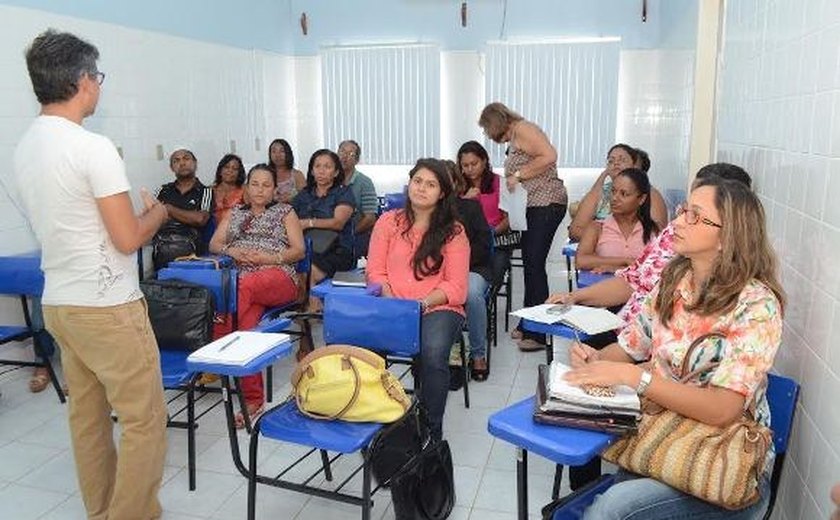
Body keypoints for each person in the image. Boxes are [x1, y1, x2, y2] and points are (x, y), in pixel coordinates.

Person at [14, 30, 169, 519]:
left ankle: (100, 512)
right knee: (145, 420)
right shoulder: (92, 147)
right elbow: (126, 238)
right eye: (97, 78)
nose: (98, 87)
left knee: (88, 418)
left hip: (60, 302)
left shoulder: (25, 147)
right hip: (108, 307)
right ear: (83, 80)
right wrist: (159, 215)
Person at [565, 177, 783, 519]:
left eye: (695, 216)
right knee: (608, 501)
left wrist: (636, 378)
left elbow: (723, 410)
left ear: (728, 237)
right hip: (665, 441)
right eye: (684, 211)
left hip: (722, 465)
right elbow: (629, 347)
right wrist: (595, 359)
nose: (678, 221)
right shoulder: (673, 282)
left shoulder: (756, 306)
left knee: (609, 511)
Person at [367, 158, 469, 440]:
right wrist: (392, 301)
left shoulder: (454, 232)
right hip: (392, 304)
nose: (422, 188)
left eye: (431, 184)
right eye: (418, 181)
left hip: (437, 306)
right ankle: (380, 423)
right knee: (364, 351)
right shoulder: (388, 222)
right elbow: (375, 272)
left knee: (433, 353)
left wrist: (421, 305)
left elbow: (457, 287)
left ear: (443, 193)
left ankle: (429, 430)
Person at [209, 164, 304, 427]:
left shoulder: (285, 211)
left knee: (243, 287)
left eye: (266, 185)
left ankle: (216, 339)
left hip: (278, 276)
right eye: (255, 184)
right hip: (244, 282)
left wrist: (268, 257)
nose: (260, 189)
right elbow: (214, 244)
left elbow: (299, 250)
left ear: (274, 189)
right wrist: (233, 252)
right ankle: (253, 399)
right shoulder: (235, 213)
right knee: (245, 328)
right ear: (247, 187)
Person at [479, 102, 567, 352]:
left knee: (534, 266)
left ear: (495, 122)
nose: (488, 135)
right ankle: (530, 322)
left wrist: (518, 176)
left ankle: (539, 333)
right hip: (534, 207)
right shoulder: (516, 137)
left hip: (546, 204)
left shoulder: (524, 129)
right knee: (531, 265)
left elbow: (550, 155)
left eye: (487, 129)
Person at [444, 159, 492, 382]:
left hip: (473, 267)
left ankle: (477, 354)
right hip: (439, 272)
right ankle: (449, 354)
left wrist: (457, 264)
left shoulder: (470, 207)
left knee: (471, 294)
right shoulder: (426, 213)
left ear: (455, 183)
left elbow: (483, 245)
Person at [291, 149, 355, 308]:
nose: (321, 170)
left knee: (308, 269)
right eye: (317, 166)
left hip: (337, 250)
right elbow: (289, 219)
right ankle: (305, 309)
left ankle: (311, 310)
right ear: (312, 171)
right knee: (296, 265)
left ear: (336, 172)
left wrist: (308, 223)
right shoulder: (304, 195)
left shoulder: (344, 193)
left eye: (327, 166)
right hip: (306, 248)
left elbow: (338, 223)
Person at [569, 144, 668, 241]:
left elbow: (658, 236)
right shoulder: (600, 193)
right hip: (600, 252)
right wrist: (610, 239)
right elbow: (575, 231)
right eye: (611, 161)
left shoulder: (650, 194)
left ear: (635, 166)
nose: (616, 163)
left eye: (622, 160)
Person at [574, 168, 659, 273]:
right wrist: (625, 261)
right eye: (613, 191)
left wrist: (617, 269)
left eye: (624, 194)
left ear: (641, 199)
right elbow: (581, 261)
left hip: (641, 288)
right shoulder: (597, 227)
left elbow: (662, 266)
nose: (614, 198)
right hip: (603, 287)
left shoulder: (654, 230)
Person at [457, 140, 510, 285]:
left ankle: (486, 299)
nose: (470, 169)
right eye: (465, 165)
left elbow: (508, 219)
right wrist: (466, 199)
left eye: (474, 164)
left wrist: (491, 233)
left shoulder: (499, 183)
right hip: (466, 241)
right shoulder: (458, 186)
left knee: (497, 269)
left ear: (484, 161)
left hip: (496, 239)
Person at [152, 146, 213, 270]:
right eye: (176, 160)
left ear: (195, 164)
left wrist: (168, 209)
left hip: (191, 249)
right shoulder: (162, 190)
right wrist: (187, 216)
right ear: (172, 167)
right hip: (162, 246)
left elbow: (200, 219)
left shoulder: (205, 191)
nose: (182, 163)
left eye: (186, 158)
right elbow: (151, 218)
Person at [338, 140, 378, 258]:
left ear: (356, 160)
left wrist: (348, 234)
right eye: (342, 152)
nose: (345, 157)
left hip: (356, 234)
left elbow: (370, 218)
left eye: (351, 154)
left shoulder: (364, 182)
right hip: (329, 233)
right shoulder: (329, 180)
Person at [211, 153, 245, 224]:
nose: (230, 171)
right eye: (226, 167)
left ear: (239, 173)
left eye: (234, 168)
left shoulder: (244, 190)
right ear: (220, 170)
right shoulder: (210, 190)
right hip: (213, 230)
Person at [269, 138, 306, 203]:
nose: (277, 155)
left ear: (288, 153)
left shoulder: (297, 175)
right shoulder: (266, 175)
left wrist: (292, 198)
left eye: (282, 151)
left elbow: (306, 198)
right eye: (274, 151)